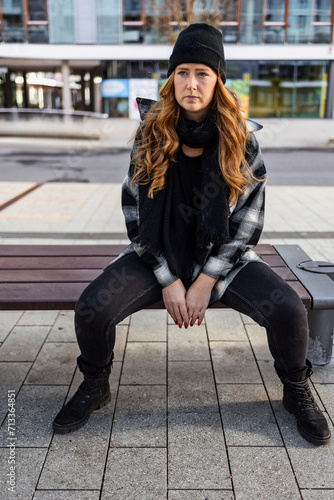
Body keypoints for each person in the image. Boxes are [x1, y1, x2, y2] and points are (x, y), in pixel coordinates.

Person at [53, 23, 331, 446]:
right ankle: (96, 383)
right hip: (156, 255)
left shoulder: (241, 141)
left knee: (290, 311)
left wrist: (204, 282)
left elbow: (247, 225)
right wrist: (167, 278)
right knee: (91, 307)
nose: (191, 83)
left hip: (221, 259)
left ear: (218, 80)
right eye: (182, 72)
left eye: (202, 73)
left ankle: (295, 390)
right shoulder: (151, 133)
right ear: (171, 79)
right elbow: (134, 213)